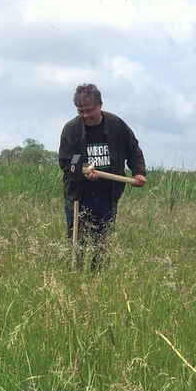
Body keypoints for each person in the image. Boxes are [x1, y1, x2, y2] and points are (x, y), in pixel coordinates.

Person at [58, 83, 146, 271]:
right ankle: (76, 279)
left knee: (102, 246)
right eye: (81, 111)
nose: (85, 116)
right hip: (80, 196)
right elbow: (67, 164)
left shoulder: (116, 125)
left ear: (100, 105)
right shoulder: (71, 130)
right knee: (77, 247)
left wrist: (138, 172)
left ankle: (98, 281)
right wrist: (83, 170)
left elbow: (133, 150)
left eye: (89, 110)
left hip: (107, 196)